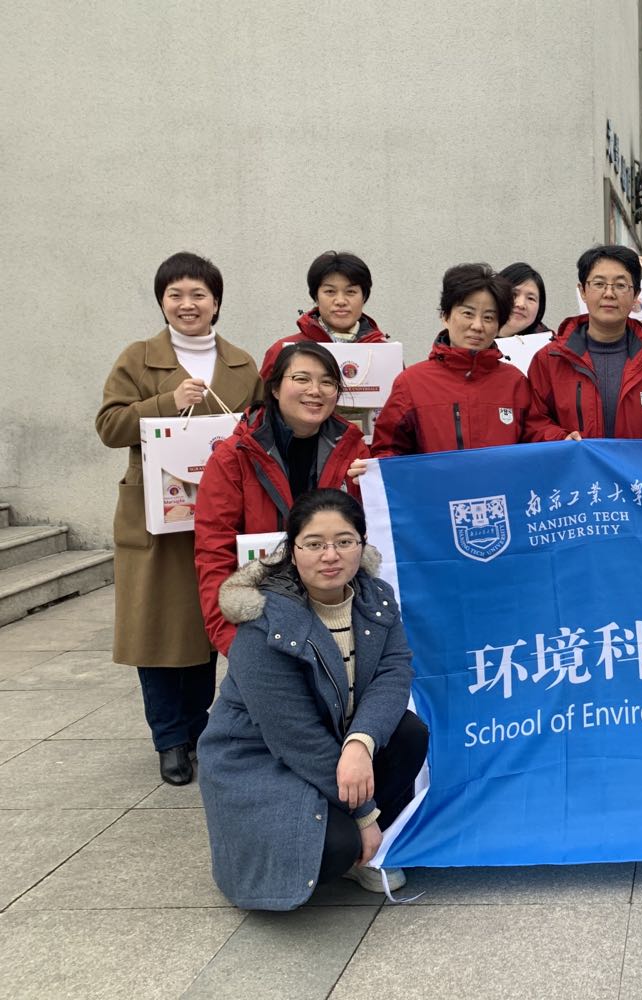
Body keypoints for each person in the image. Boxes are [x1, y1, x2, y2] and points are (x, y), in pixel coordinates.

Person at [199, 489, 428, 908]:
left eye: (344, 541)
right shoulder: (263, 621)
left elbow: (394, 671)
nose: (330, 555)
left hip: (337, 738)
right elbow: (294, 736)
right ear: (293, 550)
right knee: (337, 846)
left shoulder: (376, 597)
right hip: (261, 757)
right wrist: (365, 816)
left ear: (362, 544)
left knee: (408, 733)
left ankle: (356, 834)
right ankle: (351, 838)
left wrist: (360, 742)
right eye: (314, 544)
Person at [96, 252, 264, 786]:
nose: (187, 304)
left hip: (220, 515)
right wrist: (167, 401)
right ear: (162, 301)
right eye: (176, 295)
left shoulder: (241, 365)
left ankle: (197, 727)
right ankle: (170, 738)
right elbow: (109, 426)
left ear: (216, 302)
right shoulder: (138, 358)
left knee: (205, 623)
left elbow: (262, 430)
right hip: (158, 517)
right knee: (158, 627)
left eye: (198, 295)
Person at [195, 342, 368, 658]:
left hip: (339, 612)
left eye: (327, 382)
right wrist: (233, 642)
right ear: (274, 388)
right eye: (301, 379)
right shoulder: (233, 457)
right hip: (264, 619)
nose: (315, 390)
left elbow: (369, 535)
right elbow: (214, 552)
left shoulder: (354, 451)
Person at [527, 245, 642, 440]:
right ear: (583, 291)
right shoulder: (550, 360)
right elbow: (534, 422)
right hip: (573, 460)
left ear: (636, 295)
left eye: (620, 285)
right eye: (599, 284)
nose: (609, 293)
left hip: (640, 462)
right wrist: (560, 440)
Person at [371, 264, 531, 455]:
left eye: (488, 317)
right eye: (468, 314)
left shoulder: (515, 382)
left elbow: (538, 442)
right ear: (445, 316)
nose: (477, 326)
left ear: (498, 326)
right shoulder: (411, 383)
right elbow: (388, 451)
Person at [259, 251, 388, 377]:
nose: (340, 301)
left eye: (351, 292)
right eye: (330, 291)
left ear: (364, 297)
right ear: (316, 297)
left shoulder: (385, 353)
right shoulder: (282, 351)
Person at [497, 262, 549, 337]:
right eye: (513, 294)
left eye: (531, 298)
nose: (521, 304)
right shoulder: (479, 335)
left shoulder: (549, 342)